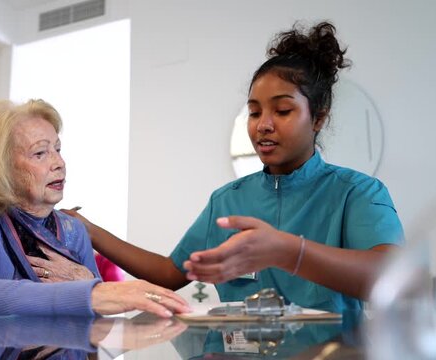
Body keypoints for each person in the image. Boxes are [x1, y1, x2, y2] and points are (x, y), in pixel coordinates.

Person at [66, 21, 404, 314]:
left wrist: (289, 251)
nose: (263, 125)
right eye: (255, 112)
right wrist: (89, 230)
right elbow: (170, 272)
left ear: (318, 118)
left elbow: (390, 276)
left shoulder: (356, 192)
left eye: (282, 111)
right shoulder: (227, 201)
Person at [0, 99, 190, 320]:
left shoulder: (73, 229)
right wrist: (91, 291)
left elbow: (91, 320)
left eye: (58, 149)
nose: (60, 163)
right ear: (0, 166)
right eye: (40, 153)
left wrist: (87, 284)